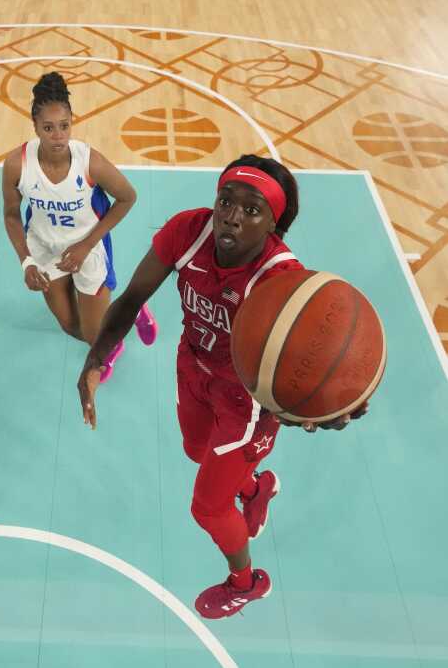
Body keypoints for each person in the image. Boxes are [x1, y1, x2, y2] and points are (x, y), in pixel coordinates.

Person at [76, 154, 371, 618]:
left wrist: (327, 406)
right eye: (226, 200)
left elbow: (312, 369)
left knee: (209, 507)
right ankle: (254, 490)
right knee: (196, 449)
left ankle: (247, 581)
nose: (231, 215)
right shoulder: (188, 232)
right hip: (194, 366)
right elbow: (132, 297)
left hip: (247, 403)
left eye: (252, 210)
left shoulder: (283, 284)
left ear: (274, 224)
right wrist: (94, 361)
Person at [2, 72, 157, 381]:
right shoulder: (17, 164)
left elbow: (128, 197)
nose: (58, 136)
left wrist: (86, 245)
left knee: (94, 337)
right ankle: (123, 316)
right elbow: (10, 214)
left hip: (87, 248)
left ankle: (127, 319)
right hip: (45, 248)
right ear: (35, 127)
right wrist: (26, 261)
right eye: (48, 128)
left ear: (72, 122)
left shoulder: (90, 163)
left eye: (64, 126)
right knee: (70, 327)